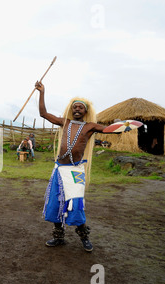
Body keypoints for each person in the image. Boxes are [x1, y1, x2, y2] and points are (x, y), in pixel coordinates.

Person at [35, 81, 113, 252]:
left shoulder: (90, 126)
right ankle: (58, 237)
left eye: (80, 107)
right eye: (75, 107)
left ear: (86, 111)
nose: (77, 109)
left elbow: (107, 130)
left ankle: (84, 236)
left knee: (76, 204)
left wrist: (124, 126)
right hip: (59, 170)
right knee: (56, 203)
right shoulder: (65, 122)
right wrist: (42, 92)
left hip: (76, 171)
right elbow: (43, 113)